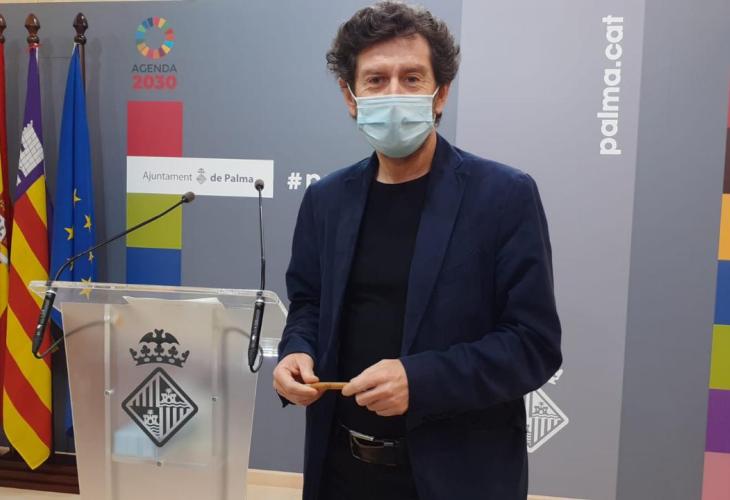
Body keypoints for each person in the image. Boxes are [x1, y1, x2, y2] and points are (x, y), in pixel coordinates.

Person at [273, 2, 562, 499]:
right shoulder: (327, 200)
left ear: (440, 92)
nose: (393, 94)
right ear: (350, 96)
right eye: (375, 80)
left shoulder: (504, 196)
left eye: (411, 78)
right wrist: (296, 351)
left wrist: (421, 380)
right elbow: (309, 304)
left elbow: (532, 345)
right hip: (340, 471)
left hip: (457, 479)